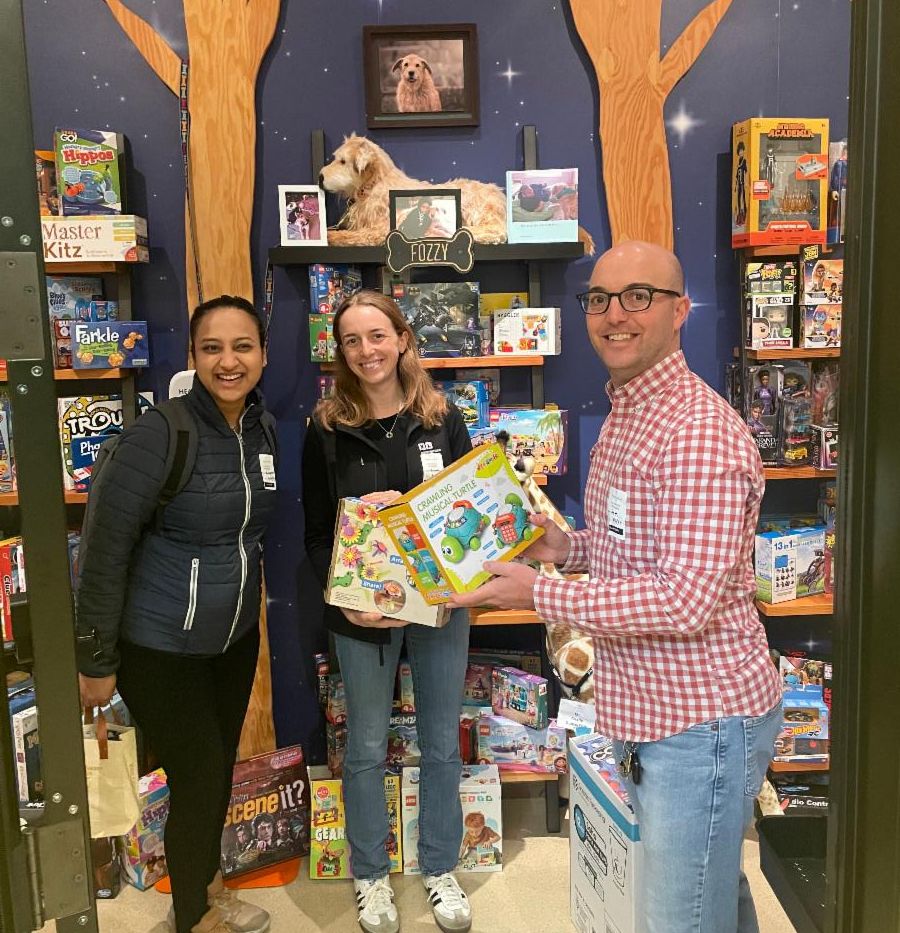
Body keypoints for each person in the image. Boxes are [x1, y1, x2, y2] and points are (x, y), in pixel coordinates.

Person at [452, 242, 783, 933]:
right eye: (599, 299)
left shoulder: (697, 432)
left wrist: (538, 594)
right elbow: (632, 551)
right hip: (658, 716)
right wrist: (565, 549)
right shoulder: (630, 412)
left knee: (680, 916)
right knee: (708, 892)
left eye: (638, 296)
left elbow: (683, 599)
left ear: (680, 310)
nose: (614, 315)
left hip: (701, 722)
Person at [76, 295, 277, 933]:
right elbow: (103, 548)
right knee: (198, 777)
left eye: (242, 346)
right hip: (159, 646)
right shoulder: (159, 434)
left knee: (213, 776)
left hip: (232, 641)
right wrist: (95, 660)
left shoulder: (262, 430)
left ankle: (207, 888)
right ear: (193, 356)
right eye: (212, 348)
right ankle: (193, 916)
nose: (228, 361)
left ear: (263, 355)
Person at [302, 289, 473, 933]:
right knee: (367, 747)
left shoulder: (441, 417)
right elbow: (316, 534)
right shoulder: (326, 427)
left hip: (439, 608)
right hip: (361, 619)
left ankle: (440, 866)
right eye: (352, 340)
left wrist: (455, 588)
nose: (366, 350)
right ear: (340, 351)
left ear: (402, 339)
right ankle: (370, 874)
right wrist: (349, 600)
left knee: (441, 743)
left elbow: (470, 512)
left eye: (377, 335)